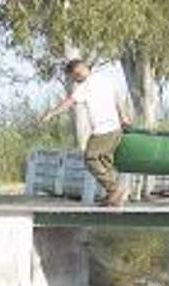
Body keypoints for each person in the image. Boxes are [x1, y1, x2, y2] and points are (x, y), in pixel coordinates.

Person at [41, 60, 131, 207]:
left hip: (103, 130)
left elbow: (69, 102)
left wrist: (51, 113)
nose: (73, 80)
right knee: (104, 161)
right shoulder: (104, 78)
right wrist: (123, 116)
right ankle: (113, 197)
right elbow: (117, 97)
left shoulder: (84, 86)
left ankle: (114, 189)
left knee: (90, 157)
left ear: (77, 72)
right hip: (115, 128)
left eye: (73, 77)